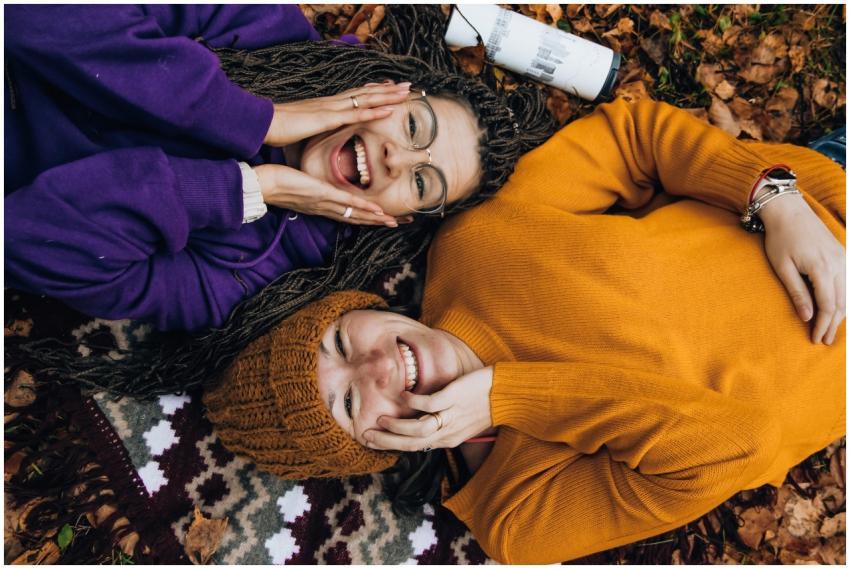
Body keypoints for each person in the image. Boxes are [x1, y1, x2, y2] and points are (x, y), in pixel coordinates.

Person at [203, 98, 845, 564]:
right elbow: (739, 446)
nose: (375, 366)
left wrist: (772, 197)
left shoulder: (472, 246)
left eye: (340, 342)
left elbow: (633, 136)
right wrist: (505, 395)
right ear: (370, 448)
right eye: (347, 402)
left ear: (359, 306)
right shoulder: (518, 518)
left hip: (821, 198)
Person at [4, 5, 552, 332]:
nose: (396, 158)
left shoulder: (256, 278)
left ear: (398, 220)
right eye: (414, 127)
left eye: (421, 182)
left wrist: (242, 188)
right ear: (387, 91)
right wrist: (255, 120)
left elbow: (26, 245)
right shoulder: (267, 27)